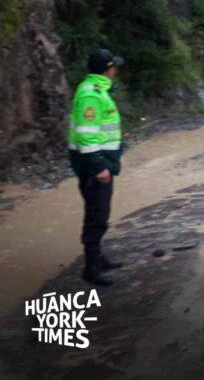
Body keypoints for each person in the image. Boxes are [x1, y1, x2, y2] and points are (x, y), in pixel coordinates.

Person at [68, 48, 125, 286]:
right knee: (96, 215)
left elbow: (102, 129)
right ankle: (91, 268)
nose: (116, 71)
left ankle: (98, 259)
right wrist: (99, 167)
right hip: (95, 165)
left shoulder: (98, 89)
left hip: (102, 162)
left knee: (99, 212)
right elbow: (86, 136)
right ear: (108, 69)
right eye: (115, 67)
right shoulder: (91, 94)